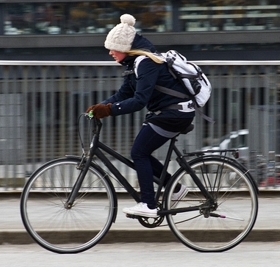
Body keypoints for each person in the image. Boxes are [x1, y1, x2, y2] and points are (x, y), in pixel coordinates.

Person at [86, 14, 195, 218]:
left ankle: (149, 205)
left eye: (113, 48)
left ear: (125, 48)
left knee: (139, 153)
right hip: (167, 112)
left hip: (175, 113)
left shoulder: (146, 63)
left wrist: (109, 110)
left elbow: (139, 101)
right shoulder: (133, 64)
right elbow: (123, 95)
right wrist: (99, 106)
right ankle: (175, 188)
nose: (110, 52)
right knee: (140, 152)